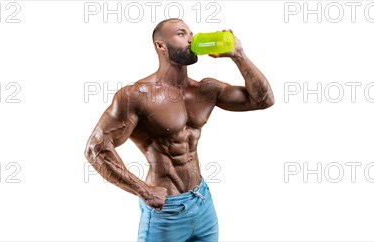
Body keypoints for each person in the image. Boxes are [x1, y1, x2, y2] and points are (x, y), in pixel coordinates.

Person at [84, 18, 275, 242]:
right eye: (181, 34)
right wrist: (143, 190)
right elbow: (95, 149)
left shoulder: (205, 89)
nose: (191, 39)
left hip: (202, 201)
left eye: (191, 34)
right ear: (160, 45)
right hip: (167, 212)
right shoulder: (136, 96)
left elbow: (263, 100)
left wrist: (239, 55)